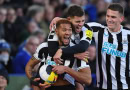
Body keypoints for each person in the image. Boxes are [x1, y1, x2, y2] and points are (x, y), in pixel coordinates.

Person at [50, 3, 130, 89]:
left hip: (125, 86)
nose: (109, 19)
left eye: (113, 17)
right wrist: (58, 19)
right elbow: (74, 23)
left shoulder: (128, 35)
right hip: (102, 87)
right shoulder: (97, 29)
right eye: (108, 16)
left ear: (121, 19)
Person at [25, 19, 92, 90]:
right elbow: (29, 66)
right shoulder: (44, 47)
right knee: (36, 86)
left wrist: (66, 69)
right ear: (56, 31)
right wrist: (33, 80)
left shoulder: (78, 51)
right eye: (64, 30)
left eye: (70, 30)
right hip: (46, 86)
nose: (67, 33)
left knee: (79, 86)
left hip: (67, 86)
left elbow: (88, 80)